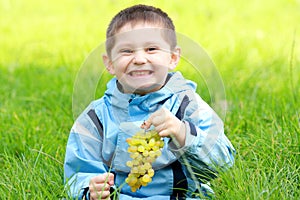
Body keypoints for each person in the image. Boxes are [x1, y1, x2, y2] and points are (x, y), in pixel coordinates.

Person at [64, 4, 235, 200]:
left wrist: (183, 133)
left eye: (151, 49)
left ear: (172, 57)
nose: (139, 58)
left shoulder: (189, 105)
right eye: (126, 51)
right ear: (109, 63)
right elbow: (78, 171)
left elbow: (223, 162)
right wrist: (90, 189)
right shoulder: (96, 117)